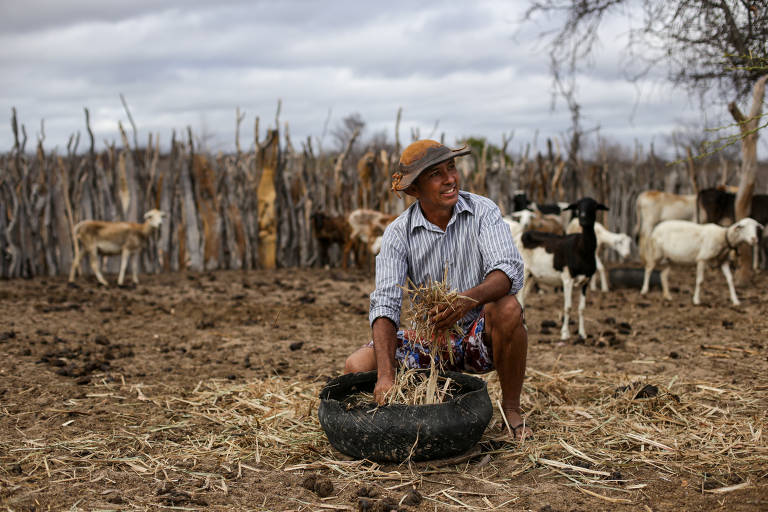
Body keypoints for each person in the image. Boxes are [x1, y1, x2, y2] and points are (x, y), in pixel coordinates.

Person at [344, 139, 531, 439]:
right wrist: (385, 376)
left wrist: (466, 300)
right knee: (357, 366)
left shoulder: (483, 211)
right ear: (414, 190)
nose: (450, 179)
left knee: (507, 307)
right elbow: (385, 305)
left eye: (452, 168)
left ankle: (511, 410)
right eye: (435, 174)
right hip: (430, 340)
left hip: (478, 337)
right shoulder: (397, 233)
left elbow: (507, 271)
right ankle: (424, 404)